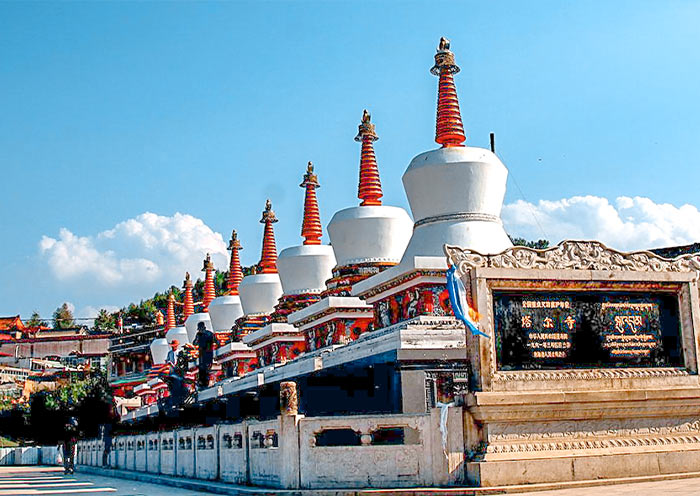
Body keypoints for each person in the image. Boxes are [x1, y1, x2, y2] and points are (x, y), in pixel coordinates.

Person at [192, 321, 214, 388]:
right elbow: (194, 343)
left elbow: (195, 343)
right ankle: (203, 383)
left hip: (207, 352)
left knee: (205, 368)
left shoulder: (208, 334)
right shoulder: (202, 334)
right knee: (202, 368)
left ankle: (206, 382)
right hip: (204, 353)